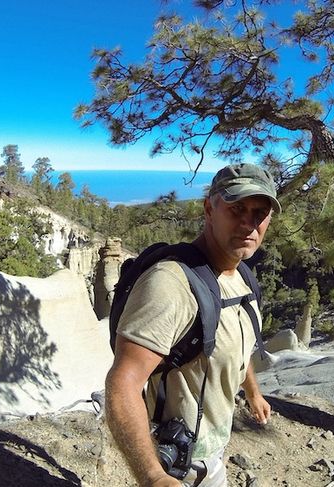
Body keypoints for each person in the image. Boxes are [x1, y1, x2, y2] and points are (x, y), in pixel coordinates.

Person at [105, 163, 280, 486]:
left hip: (212, 456)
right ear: (209, 209)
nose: (248, 223)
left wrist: (253, 392)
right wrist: (153, 477)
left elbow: (236, 346)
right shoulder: (170, 284)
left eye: (260, 212)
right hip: (174, 466)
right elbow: (122, 383)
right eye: (236, 208)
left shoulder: (242, 277)